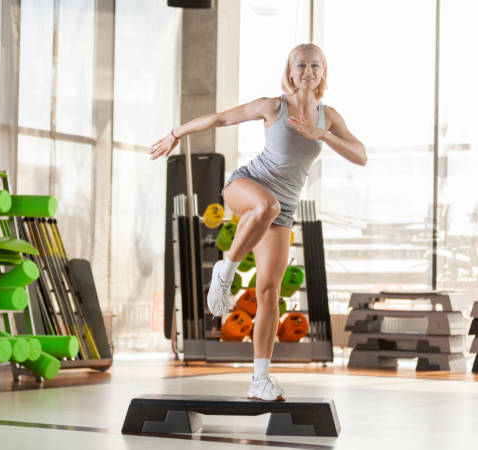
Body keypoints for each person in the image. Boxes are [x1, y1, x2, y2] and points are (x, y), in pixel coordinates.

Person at [151, 43, 367, 401]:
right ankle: (225, 270)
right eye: (301, 65)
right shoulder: (273, 106)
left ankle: (260, 379)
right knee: (265, 204)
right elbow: (220, 118)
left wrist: (323, 136)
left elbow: (360, 155)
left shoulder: (329, 117)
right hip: (245, 186)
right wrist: (176, 133)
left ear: (323, 72)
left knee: (269, 293)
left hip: (282, 210)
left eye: (315, 65)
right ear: (291, 71)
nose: (308, 71)